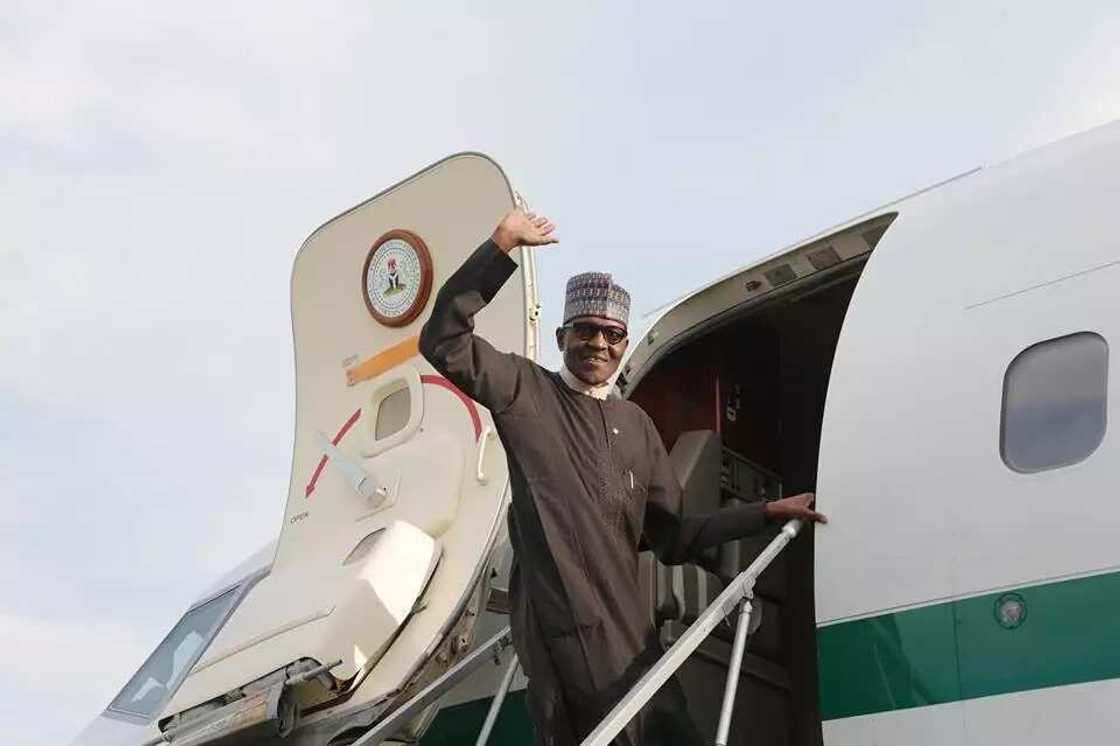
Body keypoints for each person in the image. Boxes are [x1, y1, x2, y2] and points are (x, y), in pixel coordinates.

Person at [419, 209, 826, 746]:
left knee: (669, 732)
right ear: (562, 336)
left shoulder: (636, 426)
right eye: (585, 330)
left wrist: (766, 512)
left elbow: (675, 536)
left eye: (612, 335)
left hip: (629, 639)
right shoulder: (524, 390)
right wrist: (501, 245)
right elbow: (443, 339)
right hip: (560, 638)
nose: (599, 344)